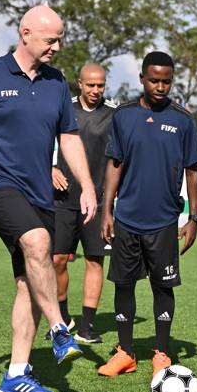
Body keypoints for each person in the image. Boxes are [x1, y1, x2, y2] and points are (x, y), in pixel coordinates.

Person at [0, 6, 97, 392]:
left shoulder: (56, 82)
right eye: (50, 40)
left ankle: (15, 376)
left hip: (39, 193)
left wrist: (88, 186)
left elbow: (69, 137)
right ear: (25, 33)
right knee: (37, 242)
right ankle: (60, 328)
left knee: (29, 283)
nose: (57, 47)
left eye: (60, 38)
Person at [97, 51, 197, 378]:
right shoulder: (124, 116)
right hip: (127, 218)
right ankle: (125, 352)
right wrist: (107, 210)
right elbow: (115, 164)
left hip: (164, 222)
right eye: (154, 80)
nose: (160, 86)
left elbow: (192, 173)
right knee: (123, 285)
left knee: (162, 287)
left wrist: (194, 218)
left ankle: (162, 352)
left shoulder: (183, 120)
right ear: (142, 78)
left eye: (166, 81)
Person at [50, 63, 116, 344]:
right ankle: (63, 318)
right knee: (56, 260)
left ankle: (87, 326)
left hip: (97, 202)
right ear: (79, 84)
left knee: (94, 261)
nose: (95, 90)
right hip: (63, 199)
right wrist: (50, 167)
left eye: (100, 85)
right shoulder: (65, 110)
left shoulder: (114, 115)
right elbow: (42, 142)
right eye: (90, 85)